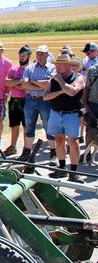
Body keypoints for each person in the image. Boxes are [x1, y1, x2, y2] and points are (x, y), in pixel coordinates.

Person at [43, 54, 85, 182]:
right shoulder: (52, 80)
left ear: (67, 65)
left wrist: (61, 81)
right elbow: (45, 96)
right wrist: (61, 91)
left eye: (59, 64)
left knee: (73, 142)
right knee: (59, 140)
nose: (56, 66)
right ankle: (62, 169)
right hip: (56, 113)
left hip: (71, 114)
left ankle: (73, 172)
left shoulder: (78, 78)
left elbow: (72, 92)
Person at [19, 45, 57, 163]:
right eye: (38, 53)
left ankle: (53, 152)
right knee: (29, 127)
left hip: (45, 100)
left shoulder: (52, 68)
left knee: (48, 127)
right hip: (30, 99)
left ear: (47, 54)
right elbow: (24, 85)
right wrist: (40, 84)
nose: (40, 56)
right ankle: (27, 152)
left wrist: (33, 81)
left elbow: (49, 84)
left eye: (42, 53)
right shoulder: (29, 68)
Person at [3, 45, 31, 156]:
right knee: (14, 125)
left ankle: (26, 148)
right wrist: (20, 82)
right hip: (14, 100)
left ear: (29, 55)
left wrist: (16, 83)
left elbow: (27, 85)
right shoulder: (14, 68)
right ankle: (13, 146)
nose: (21, 57)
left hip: (27, 100)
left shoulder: (31, 69)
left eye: (24, 55)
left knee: (26, 126)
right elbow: (6, 82)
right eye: (20, 55)